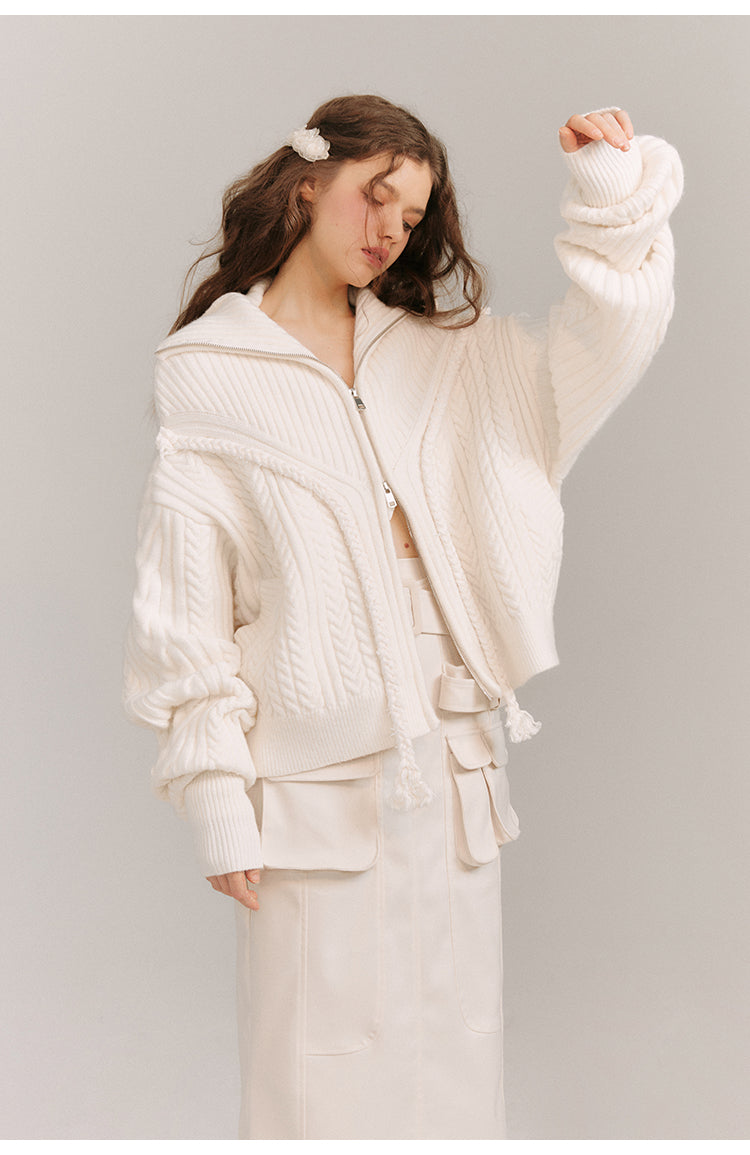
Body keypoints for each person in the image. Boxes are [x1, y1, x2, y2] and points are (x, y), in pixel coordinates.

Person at [122, 94, 683, 1140]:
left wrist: (608, 193)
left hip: (455, 766)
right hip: (313, 782)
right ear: (308, 182)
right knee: (313, 1080)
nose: (391, 229)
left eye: (413, 216)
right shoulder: (208, 372)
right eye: (376, 196)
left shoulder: (447, 356)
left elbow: (607, 344)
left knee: (452, 1073)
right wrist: (216, 798)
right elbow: (186, 610)